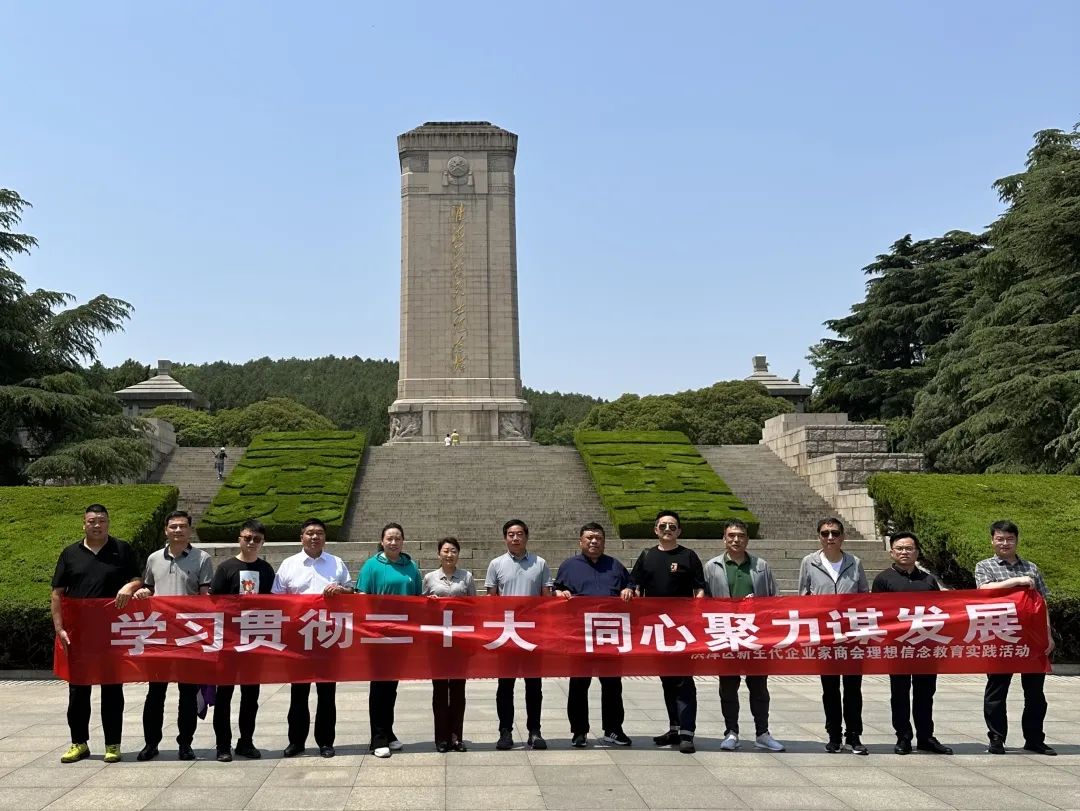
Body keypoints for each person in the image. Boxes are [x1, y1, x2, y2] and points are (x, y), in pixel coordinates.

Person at [52, 504, 142, 764]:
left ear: (108, 523)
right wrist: (59, 628)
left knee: (112, 689)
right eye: (92, 521)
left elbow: (139, 579)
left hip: (112, 632)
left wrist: (130, 587)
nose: (97, 525)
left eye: (102, 520)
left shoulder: (121, 549)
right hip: (79, 633)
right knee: (78, 690)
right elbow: (57, 593)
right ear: (84, 524)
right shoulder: (70, 553)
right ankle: (79, 743)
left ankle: (113, 744)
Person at [134, 510, 214, 762]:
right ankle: (151, 743)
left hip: (188, 636)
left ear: (190, 530)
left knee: (187, 693)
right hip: (159, 636)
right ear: (165, 530)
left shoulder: (202, 559)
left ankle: (185, 743)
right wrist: (143, 593)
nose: (178, 530)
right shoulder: (154, 558)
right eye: (173, 526)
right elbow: (149, 588)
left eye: (182, 526)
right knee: (155, 693)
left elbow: (205, 596)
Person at [272, 518, 354, 758]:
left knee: (327, 694)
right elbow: (276, 598)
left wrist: (341, 590)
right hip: (298, 638)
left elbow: (351, 592)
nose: (315, 537)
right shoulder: (289, 564)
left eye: (319, 533)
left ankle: (326, 741)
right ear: (301, 537)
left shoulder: (336, 563)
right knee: (298, 693)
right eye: (310, 533)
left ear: (325, 538)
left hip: (328, 637)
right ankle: (296, 741)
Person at [702, 519, 785, 753]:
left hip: (755, 635)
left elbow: (774, 599)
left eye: (740, 536)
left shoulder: (761, 565)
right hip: (726, 634)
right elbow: (703, 601)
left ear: (747, 539)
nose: (736, 540)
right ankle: (731, 732)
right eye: (731, 536)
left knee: (759, 686)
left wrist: (759, 607)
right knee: (728, 686)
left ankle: (762, 733)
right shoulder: (712, 566)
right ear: (724, 539)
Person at [975, 520, 1056, 756]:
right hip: (1001, 635)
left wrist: (1048, 634)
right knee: (997, 691)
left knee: (1035, 693)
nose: (1005, 543)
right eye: (1000, 539)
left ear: (1017, 541)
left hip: (1032, 638)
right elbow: (984, 589)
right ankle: (996, 739)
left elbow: (1042, 602)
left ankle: (1034, 739)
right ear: (992, 541)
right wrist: (1017, 581)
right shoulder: (985, 566)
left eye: (1010, 539)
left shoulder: (1031, 567)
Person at [871, 532, 953, 756]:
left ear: (917, 552)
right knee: (899, 693)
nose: (904, 552)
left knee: (925, 693)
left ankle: (926, 737)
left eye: (909, 548)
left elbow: (940, 611)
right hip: (897, 646)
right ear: (892, 552)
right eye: (899, 548)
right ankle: (903, 736)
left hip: (926, 645)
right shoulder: (883, 580)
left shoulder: (928, 580)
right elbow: (876, 613)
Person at [554, 522, 635, 748]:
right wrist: (560, 593)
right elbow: (556, 589)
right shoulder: (569, 566)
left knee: (612, 684)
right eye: (589, 537)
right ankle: (579, 731)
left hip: (609, 635)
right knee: (579, 685)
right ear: (580, 541)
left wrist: (629, 589)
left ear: (604, 542)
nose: (594, 541)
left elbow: (630, 585)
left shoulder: (615, 565)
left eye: (598, 538)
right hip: (580, 636)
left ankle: (613, 729)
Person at [630, 510, 705, 754]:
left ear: (679, 531)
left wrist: (697, 615)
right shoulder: (647, 555)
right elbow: (635, 584)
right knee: (667, 680)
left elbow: (699, 589)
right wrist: (631, 592)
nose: (667, 530)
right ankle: (674, 728)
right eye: (663, 526)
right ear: (655, 530)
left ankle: (687, 733)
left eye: (672, 526)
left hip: (682, 629)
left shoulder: (688, 556)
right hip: (657, 629)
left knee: (684, 680)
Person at [798, 516, 870, 755]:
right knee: (829, 688)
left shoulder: (854, 562)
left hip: (851, 636)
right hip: (825, 636)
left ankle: (854, 735)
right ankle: (834, 735)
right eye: (825, 533)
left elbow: (864, 596)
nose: (830, 538)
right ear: (819, 536)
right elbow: (803, 597)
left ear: (843, 537)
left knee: (853, 688)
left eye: (835, 533)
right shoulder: (809, 562)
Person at [210, 519, 275, 761]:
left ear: (262, 542)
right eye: (247, 538)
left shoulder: (266, 570)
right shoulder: (226, 568)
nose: (251, 542)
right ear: (239, 539)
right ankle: (222, 745)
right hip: (228, 641)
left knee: (250, 696)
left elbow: (274, 603)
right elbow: (214, 603)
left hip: (255, 641)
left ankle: (246, 741)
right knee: (224, 695)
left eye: (257, 539)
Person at [486, 518, 553, 750]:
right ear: (505, 538)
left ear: (526, 536)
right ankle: (505, 732)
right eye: (511, 534)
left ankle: (535, 731)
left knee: (534, 685)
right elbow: (491, 599)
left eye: (519, 534)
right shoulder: (496, 564)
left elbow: (546, 598)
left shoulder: (540, 563)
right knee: (505, 686)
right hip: (507, 633)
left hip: (532, 634)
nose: (515, 538)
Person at [357, 522, 423, 758]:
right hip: (378, 635)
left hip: (401, 635)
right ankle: (377, 738)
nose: (393, 542)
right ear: (382, 541)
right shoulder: (372, 565)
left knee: (391, 686)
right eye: (389, 538)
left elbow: (417, 598)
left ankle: (388, 732)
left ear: (403, 541)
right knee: (379, 686)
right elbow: (361, 596)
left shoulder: (411, 567)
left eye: (397, 538)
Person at [422, 536, 477, 752]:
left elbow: (474, 607)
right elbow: (419, 606)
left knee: (457, 689)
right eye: (445, 551)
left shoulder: (467, 577)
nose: (449, 554)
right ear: (439, 554)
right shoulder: (429, 578)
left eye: (453, 550)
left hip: (459, 640)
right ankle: (441, 738)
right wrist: (429, 603)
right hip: (437, 641)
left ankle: (456, 736)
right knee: (439, 690)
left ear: (458, 554)